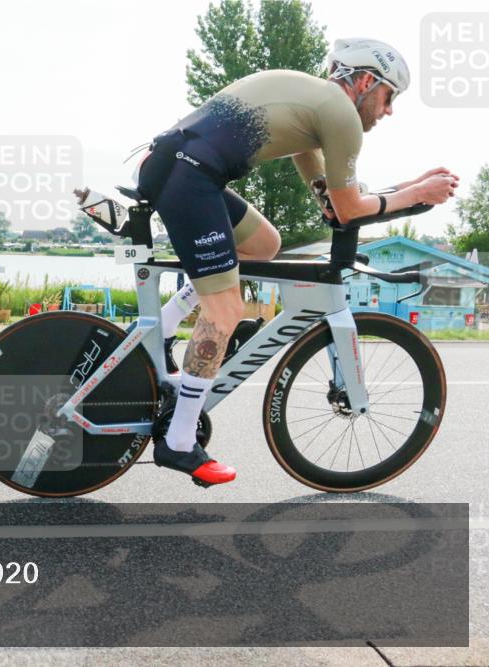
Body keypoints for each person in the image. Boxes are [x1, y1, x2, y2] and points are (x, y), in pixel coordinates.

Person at [131, 38, 459, 487]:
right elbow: (348, 209)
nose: (388, 111)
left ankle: (164, 328)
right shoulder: (341, 114)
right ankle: (180, 441)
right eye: (388, 96)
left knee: (264, 244)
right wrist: (416, 195)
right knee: (225, 312)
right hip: (189, 176)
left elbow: (335, 200)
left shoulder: (311, 107)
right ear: (366, 81)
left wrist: (406, 188)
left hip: (178, 165)